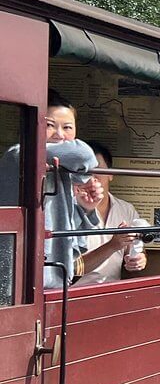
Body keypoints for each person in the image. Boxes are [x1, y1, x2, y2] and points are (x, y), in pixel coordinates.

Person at [0, 90, 100, 289]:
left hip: (54, 277)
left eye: (68, 127)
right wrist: (81, 174)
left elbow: (74, 239)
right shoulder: (19, 154)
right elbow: (84, 155)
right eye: (50, 126)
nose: (60, 135)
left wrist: (85, 207)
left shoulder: (61, 168)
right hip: (18, 279)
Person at [73, 141, 148, 285]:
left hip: (111, 292)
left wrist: (138, 258)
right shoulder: (68, 211)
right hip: (75, 295)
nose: (92, 177)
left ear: (111, 174)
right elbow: (73, 269)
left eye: (98, 170)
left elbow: (136, 249)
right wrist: (113, 245)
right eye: (85, 171)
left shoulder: (126, 209)